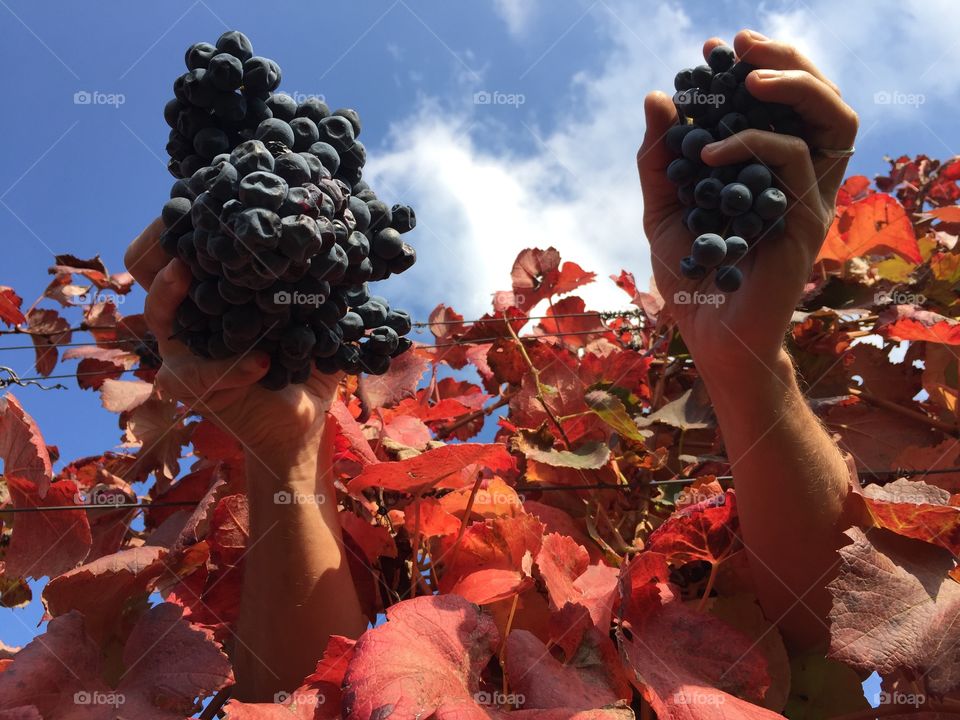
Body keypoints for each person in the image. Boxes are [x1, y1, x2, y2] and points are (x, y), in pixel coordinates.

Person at [124, 29, 858, 703]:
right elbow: (310, 707)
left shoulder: (684, 592)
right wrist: (280, 453)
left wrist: (749, 361)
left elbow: (842, 632)